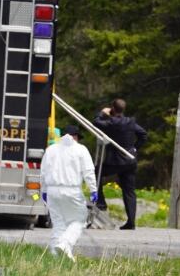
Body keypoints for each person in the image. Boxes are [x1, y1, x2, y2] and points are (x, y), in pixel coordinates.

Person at [40, 124, 97, 261]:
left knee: (58, 223)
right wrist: (93, 189)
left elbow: (43, 172)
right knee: (79, 220)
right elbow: (88, 171)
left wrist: (44, 190)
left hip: (52, 190)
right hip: (71, 190)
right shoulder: (81, 149)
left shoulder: (51, 149)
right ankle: (65, 244)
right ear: (76, 137)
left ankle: (55, 255)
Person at [93, 98, 148, 230]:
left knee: (96, 172)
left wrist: (102, 113)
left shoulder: (110, 122)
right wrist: (135, 148)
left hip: (115, 161)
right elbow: (143, 134)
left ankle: (101, 202)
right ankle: (131, 222)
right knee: (129, 191)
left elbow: (96, 122)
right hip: (130, 161)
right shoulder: (130, 122)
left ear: (112, 107)